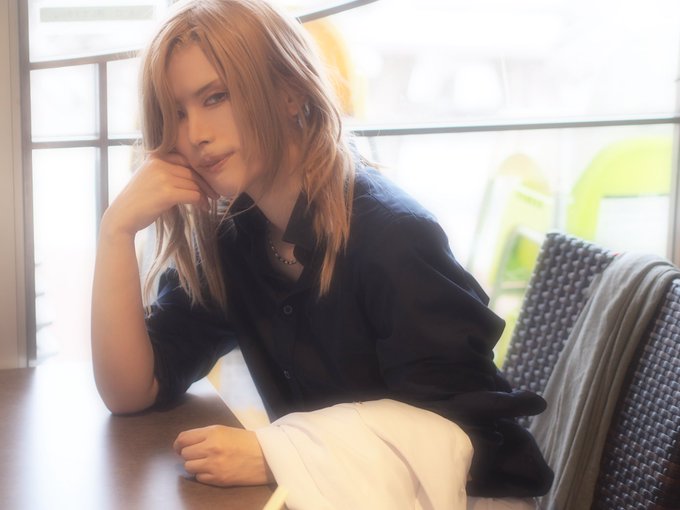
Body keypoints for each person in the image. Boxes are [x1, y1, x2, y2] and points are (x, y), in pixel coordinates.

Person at [91, 0, 553, 503]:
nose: (195, 134)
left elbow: (461, 439)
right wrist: (116, 232)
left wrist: (276, 453)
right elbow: (133, 390)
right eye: (176, 113)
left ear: (290, 92)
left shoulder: (394, 238)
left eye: (216, 97)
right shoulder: (234, 236)